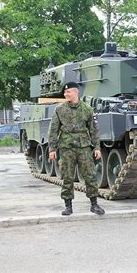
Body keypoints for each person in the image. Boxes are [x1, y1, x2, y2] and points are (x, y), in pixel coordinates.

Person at [48, 82, 105, 216]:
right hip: (66, 148)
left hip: (83, 147)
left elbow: (94, 130)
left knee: (90, 176)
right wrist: (52, 149)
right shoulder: (59, 109)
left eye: (68, 92)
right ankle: (68, 206)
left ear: (76, 92)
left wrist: (97, 147)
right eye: (65, 92)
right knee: (67, 177)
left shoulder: (87, 109)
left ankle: (94, 204)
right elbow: (53, 130)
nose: (65, 94)